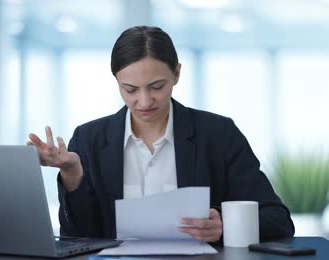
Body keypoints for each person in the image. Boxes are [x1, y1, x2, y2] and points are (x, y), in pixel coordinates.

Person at [27, 25, 294, 243]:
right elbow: (78, 237)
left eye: (156, 86)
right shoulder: (89, 139)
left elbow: (278, 220)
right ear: (117, 82)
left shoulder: (218, 134)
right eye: (130, 89)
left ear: (176, 73)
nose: (144, 102)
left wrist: (224, 224)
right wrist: (73, 174)